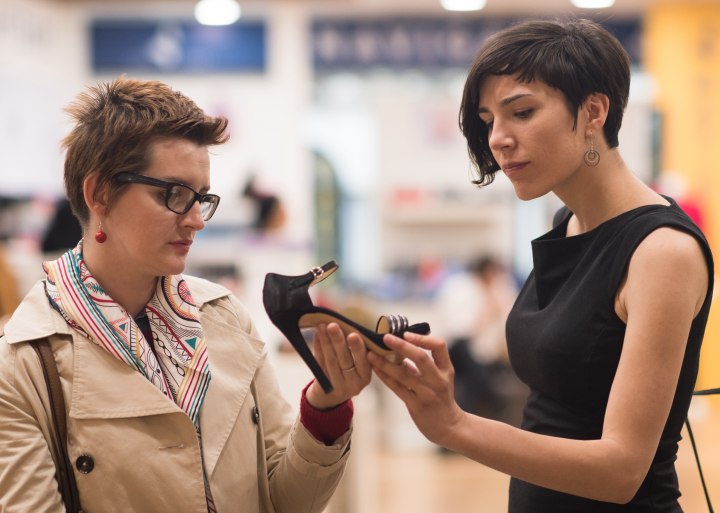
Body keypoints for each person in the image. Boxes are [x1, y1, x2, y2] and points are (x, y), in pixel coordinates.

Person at [368, 18, 714, 512]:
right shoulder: (568, 222)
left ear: (594, 111)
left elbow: (620, 471)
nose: (498, 139)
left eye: (522, 112)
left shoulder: (661, 251)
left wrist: (455, 424)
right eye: (489, 120)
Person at [0, 77, 372, 513]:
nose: (196, 219)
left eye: (202, 198)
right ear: (99, 193)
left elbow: (283, 501)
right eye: (174, 195)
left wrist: (323, 408)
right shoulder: (24, 363)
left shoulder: (225, 317)